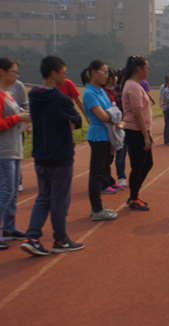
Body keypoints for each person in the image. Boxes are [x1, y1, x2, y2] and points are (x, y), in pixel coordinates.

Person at [21, 56, 84, 255]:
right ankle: (61, 240)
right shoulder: (61, 99)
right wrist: (70, 122)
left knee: (43, 197)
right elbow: (77, 121)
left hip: (40, 155)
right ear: (53, 73)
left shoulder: (33, 95)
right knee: (60, 201)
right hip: (60, 157)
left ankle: (32, 236)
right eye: (64, 72)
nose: (66, 76)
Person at [81, 60, 121, 221]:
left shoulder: (101, 91)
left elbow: (112, 109)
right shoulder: (90, 93)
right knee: (97, 174)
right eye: (103, 72)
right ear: (93, 73)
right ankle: (97, 209)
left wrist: (113, 114)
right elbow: (104, 115)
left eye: (107, 72)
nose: (107, 75)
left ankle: (97, 207)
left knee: (102, 171)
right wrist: (115, 116)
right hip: (98, 136)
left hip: (107, 135)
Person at [0, 58, 32, 250]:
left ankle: (10, 227)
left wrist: (23, 119)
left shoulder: (9, 93)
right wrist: (17, 117)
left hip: (14, 148)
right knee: (5, 192)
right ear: (2, 72)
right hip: (3, 151)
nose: (17, 75)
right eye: (14, 71)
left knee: (12, 194)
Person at [122, 56, 153, 211]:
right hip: (135, 131)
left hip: (139, 130)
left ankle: (134, 194)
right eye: (147, 67)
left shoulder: (133, 85)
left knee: (146, 164)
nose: (148, 71)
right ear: (138, 69)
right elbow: (137, 113)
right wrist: (145, 136)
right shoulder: (133, 87)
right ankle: (134, 198)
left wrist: (147, 132)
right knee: (139, 166)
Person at [112, 69, 127, 187]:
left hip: (130, 124)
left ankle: (135, 176)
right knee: (120, 153)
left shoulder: (131, 89)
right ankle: (121, 177)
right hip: (119, 126)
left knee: (134, 153)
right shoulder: (114, 92)